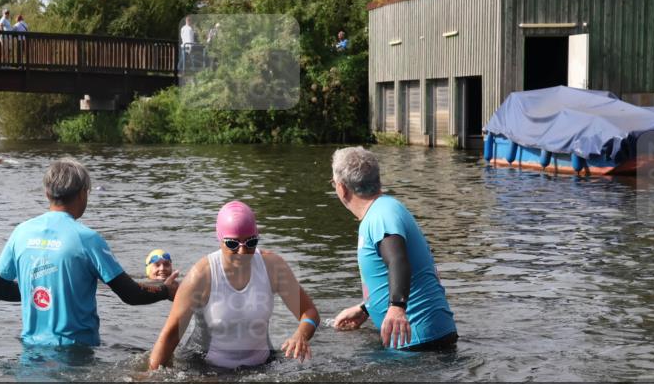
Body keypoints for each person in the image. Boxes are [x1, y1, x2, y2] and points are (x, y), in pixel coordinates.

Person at [0, 158, 179, 347]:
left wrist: (41, 290)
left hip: (30, 350)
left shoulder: (21, 232)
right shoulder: (87, 239)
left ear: (47, 194)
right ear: (82, 194)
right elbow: (131, 293)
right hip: (75, 352)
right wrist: (165, 290)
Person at [148, 201, 319, 370]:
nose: (242, 252)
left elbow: (309, 312)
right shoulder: (201, 275)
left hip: (261, 366)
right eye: (232, 244)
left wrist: (301, 334)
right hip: (206, 368)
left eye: (251, 242)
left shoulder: (273, 266)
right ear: (220, 239)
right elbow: (170, 335)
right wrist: (150, 376)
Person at [329, 147, 457, 350]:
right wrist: (366, 308)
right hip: (421, 337)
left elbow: (397, 260)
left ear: (341, 188)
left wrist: (397, 307)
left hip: (419, 341)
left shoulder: (381, 215)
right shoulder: (384, 210)